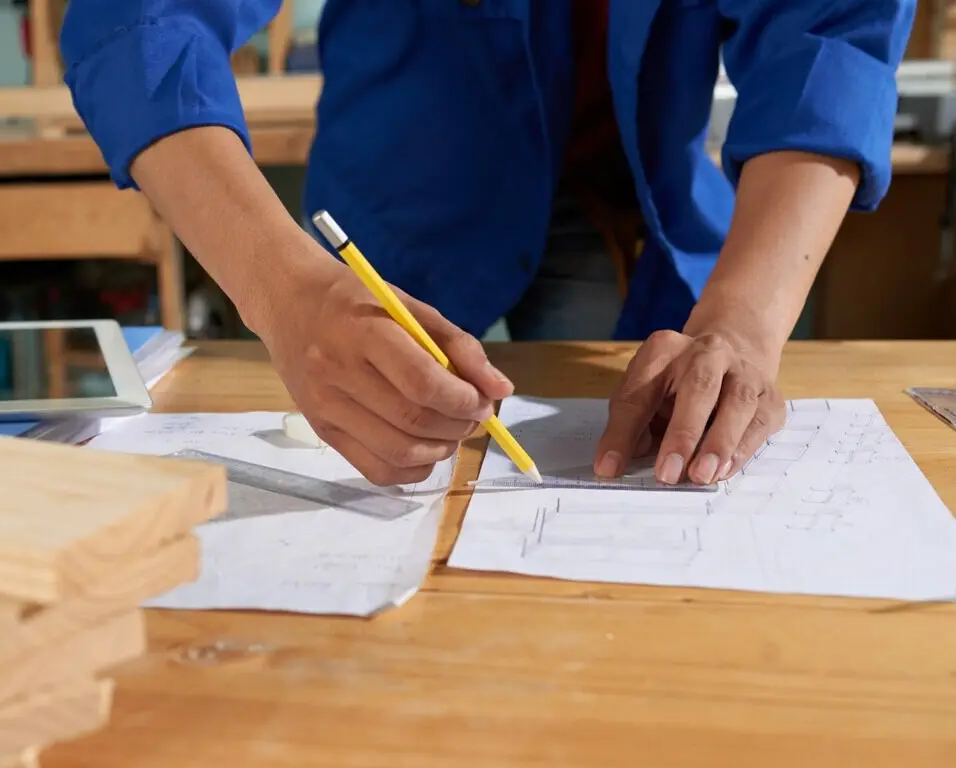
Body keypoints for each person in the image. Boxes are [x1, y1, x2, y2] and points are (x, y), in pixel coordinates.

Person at [59, 1, 913, 487]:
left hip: (632, 206)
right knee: (372, 418)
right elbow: (139, 20)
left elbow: (832, 29)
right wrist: (284, 292)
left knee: (647, 443)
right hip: (395, 207)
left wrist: (745, 321)